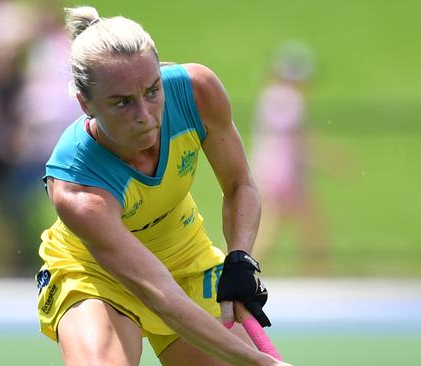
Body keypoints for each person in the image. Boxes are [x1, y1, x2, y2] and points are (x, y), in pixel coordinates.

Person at [36, 6, 289, 366]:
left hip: (186, 258)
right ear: (85, 103)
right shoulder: (78, 190)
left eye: (152, 91)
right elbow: (160, 295)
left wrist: (239, 259)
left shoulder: (196, 92)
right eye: (121, 102)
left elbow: (239, 184)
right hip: (95, 274)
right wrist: (261, 361)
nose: (144, 115)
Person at [250, 41, 331, 274]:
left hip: (270, 169)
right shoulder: (288, 99)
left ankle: (317, 271)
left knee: (299, 223)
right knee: (283, 225)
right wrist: (328, 158)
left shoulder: (270, 97)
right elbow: (298, 140)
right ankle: (317, 272)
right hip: (283, 172)